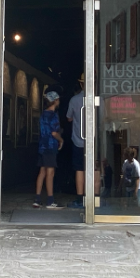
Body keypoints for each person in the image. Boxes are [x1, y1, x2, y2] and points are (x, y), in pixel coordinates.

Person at [33, 91, 64, 209]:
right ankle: (50, 201)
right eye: (58, 99)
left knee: (42, 171)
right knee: (50, 172)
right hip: (51, 146)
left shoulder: (43, 114)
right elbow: (54, 132)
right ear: (55, 101)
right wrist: (61, 140)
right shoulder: (54, 115)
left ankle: (37, 199)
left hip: (42, 146)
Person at [65, 75, 85, 209]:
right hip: (95, 141)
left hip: (79, 139)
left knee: (79, 169)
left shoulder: (74, 100)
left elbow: (68, 118)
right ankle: (95, 198)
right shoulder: (99, 99)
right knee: (95, 169)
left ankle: (79, 199)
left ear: (81, 84)